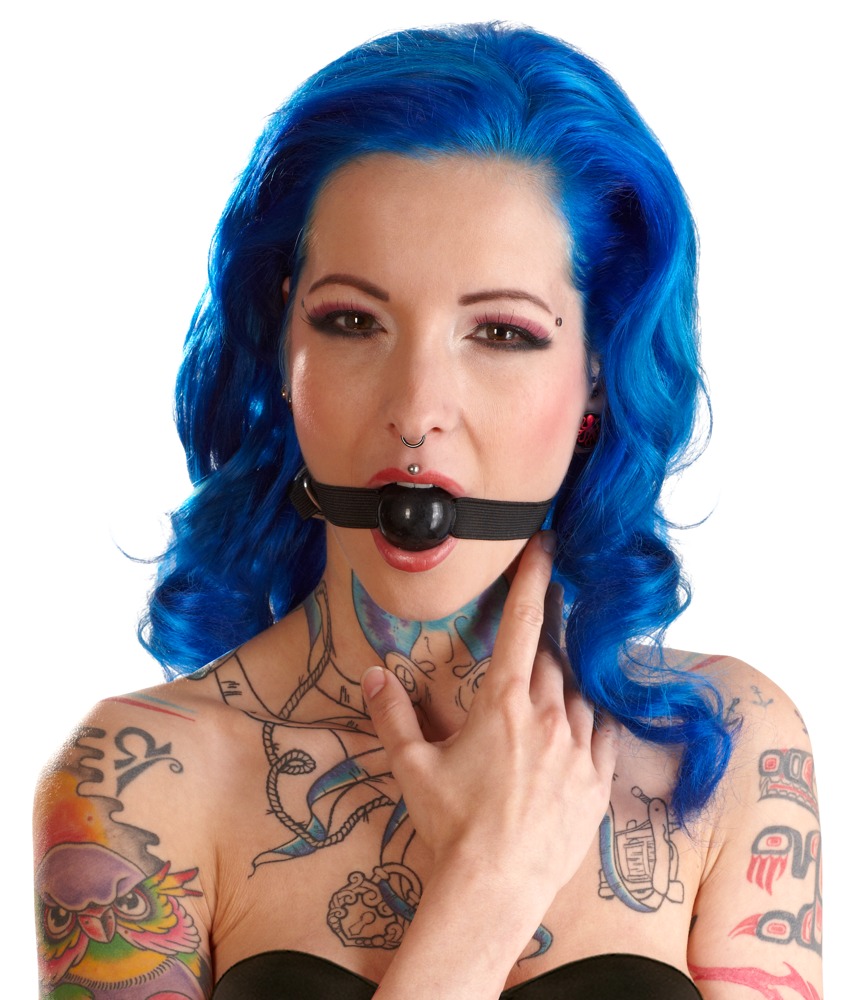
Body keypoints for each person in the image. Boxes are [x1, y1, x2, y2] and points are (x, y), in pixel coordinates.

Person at [33, 22, 822, 999]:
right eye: (351, 321)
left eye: (501, 333)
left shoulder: (731, 744)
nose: (415, 410)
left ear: (597, 371)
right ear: (282, 344)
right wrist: (490, 886)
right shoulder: (135, 783)